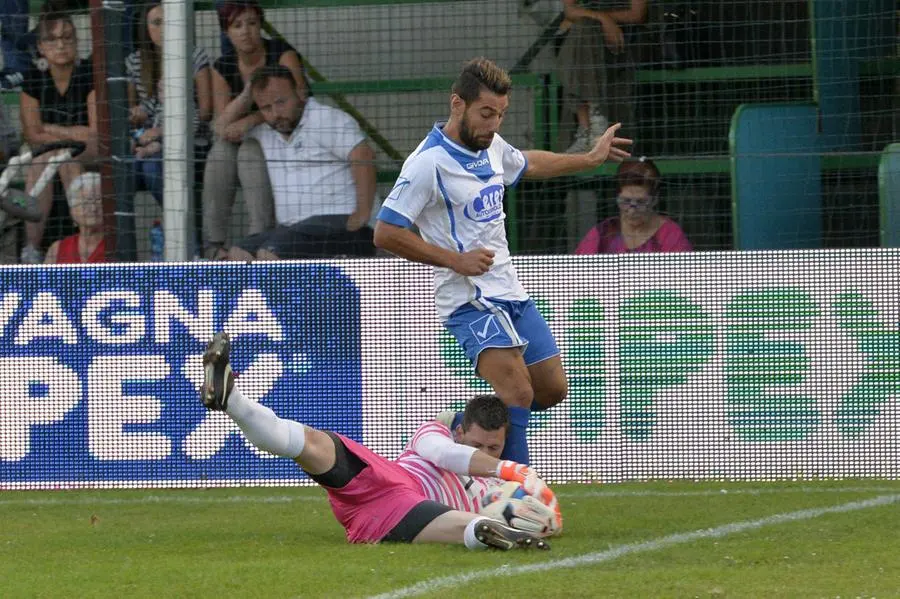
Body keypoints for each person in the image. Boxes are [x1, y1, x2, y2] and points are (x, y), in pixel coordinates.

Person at [373, 57, 631, 465]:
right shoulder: (427, 165)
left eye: (500, 114)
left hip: (507, 287)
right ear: (457, 104)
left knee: (550, 390)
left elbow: (526, 163)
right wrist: (454, 260)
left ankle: (454, 426)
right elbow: (386, 231)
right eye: (486, 113)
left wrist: (588, 159)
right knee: (518, 394)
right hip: (466, 296)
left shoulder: (489, 144)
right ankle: (516, 499)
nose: (493, 124)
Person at [200, 331, 557, 549]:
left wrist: (544, 517)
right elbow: (445, 454)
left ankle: (485, 531)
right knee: (310, 443)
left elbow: (539, 511)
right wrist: (511, 468)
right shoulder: (433, 433)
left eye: (493, 448)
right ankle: (233, 400)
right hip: (390, 483)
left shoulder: (492, 489)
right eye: (475, 445)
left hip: (399, 504)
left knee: (456, 519)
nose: (482, 454)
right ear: (460, 431)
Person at [227, 65, 376, 261]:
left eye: (281, 102)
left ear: (299, 93)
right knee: (238, 254)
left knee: (270, 254)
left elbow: (363, 155)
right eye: (266, 107)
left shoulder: (325, 118)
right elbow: (223, 130)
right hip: (293, 229)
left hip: (342, 223)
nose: (276, 113)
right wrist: (251, 104)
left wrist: (363, 214)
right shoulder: (266, 128)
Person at [201, 0, 308, 260]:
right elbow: (220, 125)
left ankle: (258, 235)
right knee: (220, 153)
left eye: (251, 23)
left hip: (282, 131)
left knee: (249, 151)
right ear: (226, 32)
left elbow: (300, 98)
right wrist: (249, 93)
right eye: (237, 25)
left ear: (260, 25)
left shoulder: (282, 54)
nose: (245, 31)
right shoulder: (223, 66)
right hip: (241, 135)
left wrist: (251, 120)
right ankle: (213, 244)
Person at [18, 5, 97, 264]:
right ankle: (31, 249)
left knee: (61, 155)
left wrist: (50, 129)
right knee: (49, 159)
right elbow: (31, 134)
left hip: (94, 151)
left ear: (76, 41)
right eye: (52, 39)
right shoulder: (33, 78)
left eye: (67, 37)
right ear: (40, 46)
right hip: (54, 153)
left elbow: (94, 133)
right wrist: (69, 136)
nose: (60, 45)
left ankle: (83, 244)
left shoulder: (89, 73)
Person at [126, 0, 213, 207]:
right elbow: (134, 113)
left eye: (168, 21)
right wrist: (137, 117)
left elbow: (205, 113)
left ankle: (180, 228)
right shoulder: (133, 61)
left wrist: (163, 131)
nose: (163, 28)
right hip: (147, 140)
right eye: (156, 23)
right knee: (121, 171)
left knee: (152, 167)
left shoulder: (194, 55)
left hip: (190, 141)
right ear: (145, 29)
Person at [557, 0, 647, 153]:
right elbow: (570, 11)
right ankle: (594, 121)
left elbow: (637, 14)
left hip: (622, 41)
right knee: (584, 27)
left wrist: (605, 20)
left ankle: (585, 129)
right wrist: (603, 19)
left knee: (583, 29)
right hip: (582, 40)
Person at [574, 157, 692, 254]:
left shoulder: (669, 235)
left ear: (655, 200)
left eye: (641, 202)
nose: (632, 211)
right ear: (617, 197)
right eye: (625, 201)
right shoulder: (603, 233)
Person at [44, 171, 104, 263]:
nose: (93, 208)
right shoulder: (56, 250)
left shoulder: (120, 245)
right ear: (72, 211)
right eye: (85, 202)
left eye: (98, 200)